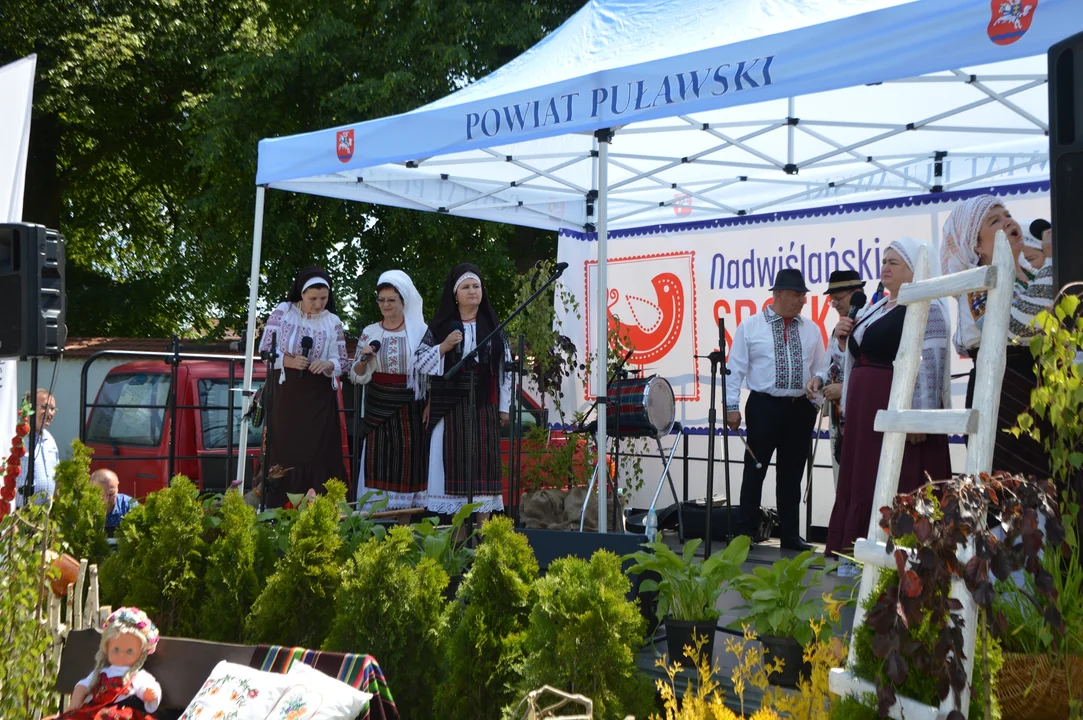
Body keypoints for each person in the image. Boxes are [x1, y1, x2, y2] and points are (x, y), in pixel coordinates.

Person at [812, 239, 953, 573]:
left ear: (914, 270)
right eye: (884, 261)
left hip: (894, 407)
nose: (885, 267)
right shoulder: (878, 307)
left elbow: (930, 362)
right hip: (865, 411)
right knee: (863, 478)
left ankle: (899, 556)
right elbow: (857, 355)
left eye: (894, 262)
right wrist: (846, 338)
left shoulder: (927, 307)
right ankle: (856, 551)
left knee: (895, 477)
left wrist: (918, 418)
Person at [940, 196, 1055, 479]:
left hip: (1039, 395)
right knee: (1017, 498)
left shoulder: (1030, 275)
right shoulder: (979, 282)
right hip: (1004, 396)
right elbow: (1020, 327)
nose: (1007, 221)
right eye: (994, 221)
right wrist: (1052, 259)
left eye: (1007, 215)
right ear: (975, 245)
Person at [725, 268, 826, 551]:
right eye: (796, 295)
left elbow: (821, 366)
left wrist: (816, 394)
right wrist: (732, 407)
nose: (802, 301)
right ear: (778, 294)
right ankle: (745, 534)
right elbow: (734, 371)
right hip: (764, 406)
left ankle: (790, 535)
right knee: (754, 470)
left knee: (792, 474)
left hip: (799, 408)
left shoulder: (811, 329)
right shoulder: (751, 326)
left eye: (804, 295)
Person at [415, 263, 511, 515]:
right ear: (455, 295)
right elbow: (420, 363)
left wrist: (504, 408)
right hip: (449, 403)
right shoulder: (439, 327)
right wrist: (444, 346)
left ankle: (483, 534)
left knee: (484, 464)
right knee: (450, 460)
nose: (472, 291)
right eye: (466, 287)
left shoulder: (494, 328)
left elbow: (504, 371)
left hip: (483, 402)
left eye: (476, 286)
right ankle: (456, 536)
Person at [258, 266, 349, 507]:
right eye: (313, 299)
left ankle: (318, 507)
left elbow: (343, 362)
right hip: (288, 395)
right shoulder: (283, 312)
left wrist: (328, 364)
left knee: (318, 454)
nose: (319, 304)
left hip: (319, 398)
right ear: (301, 293)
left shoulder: (333, 321)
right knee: (286, 451)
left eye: (324, 298)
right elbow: (265, 350)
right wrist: (287, 360)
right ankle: (278, 505)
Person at [350, 270, 430, 509]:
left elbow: (431, 374)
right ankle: (374, 530)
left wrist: (430, 404)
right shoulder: (370, 332)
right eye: (381, 300)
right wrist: (364, 360)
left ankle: (403, 531)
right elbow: (356, 375)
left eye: (391, 300)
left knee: (408, 466)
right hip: (378, 407)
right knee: (377, 462)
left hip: (410, 409)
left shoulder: (420, 331)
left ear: (403, 301)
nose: (385, 305)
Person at [820, 270, 867, 486]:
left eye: (838, 299)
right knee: (843, 480)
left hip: (863, 416)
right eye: (832, 301)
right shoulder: (841, 326)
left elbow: (869, 370)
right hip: (841, 419)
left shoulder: (872, 322)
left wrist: (845, 388)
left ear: (857, 294)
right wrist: (819, 379)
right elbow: (833, 364)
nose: (835, 304)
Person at [17, 389, 59, 507]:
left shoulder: (50, 440)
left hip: (43, 518)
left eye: (52, 409)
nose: (49, 413)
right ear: (28, 408)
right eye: (44, 407)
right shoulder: (14, 436)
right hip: (16, 517)